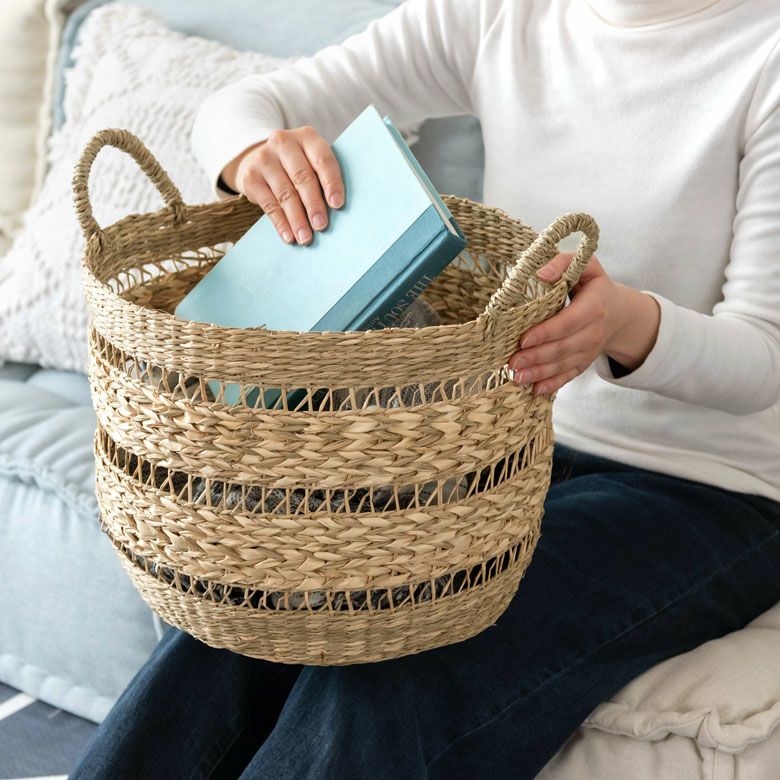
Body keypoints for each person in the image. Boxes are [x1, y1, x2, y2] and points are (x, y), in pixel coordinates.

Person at [72, 0, 780, 777]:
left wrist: (622, 322)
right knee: (243, 616)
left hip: (706, 487)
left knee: (398, 669)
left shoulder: (764, 53)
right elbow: (246, 104)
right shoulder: (504, 14)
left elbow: (764, 358)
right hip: (501, 450)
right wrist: (253, 155)